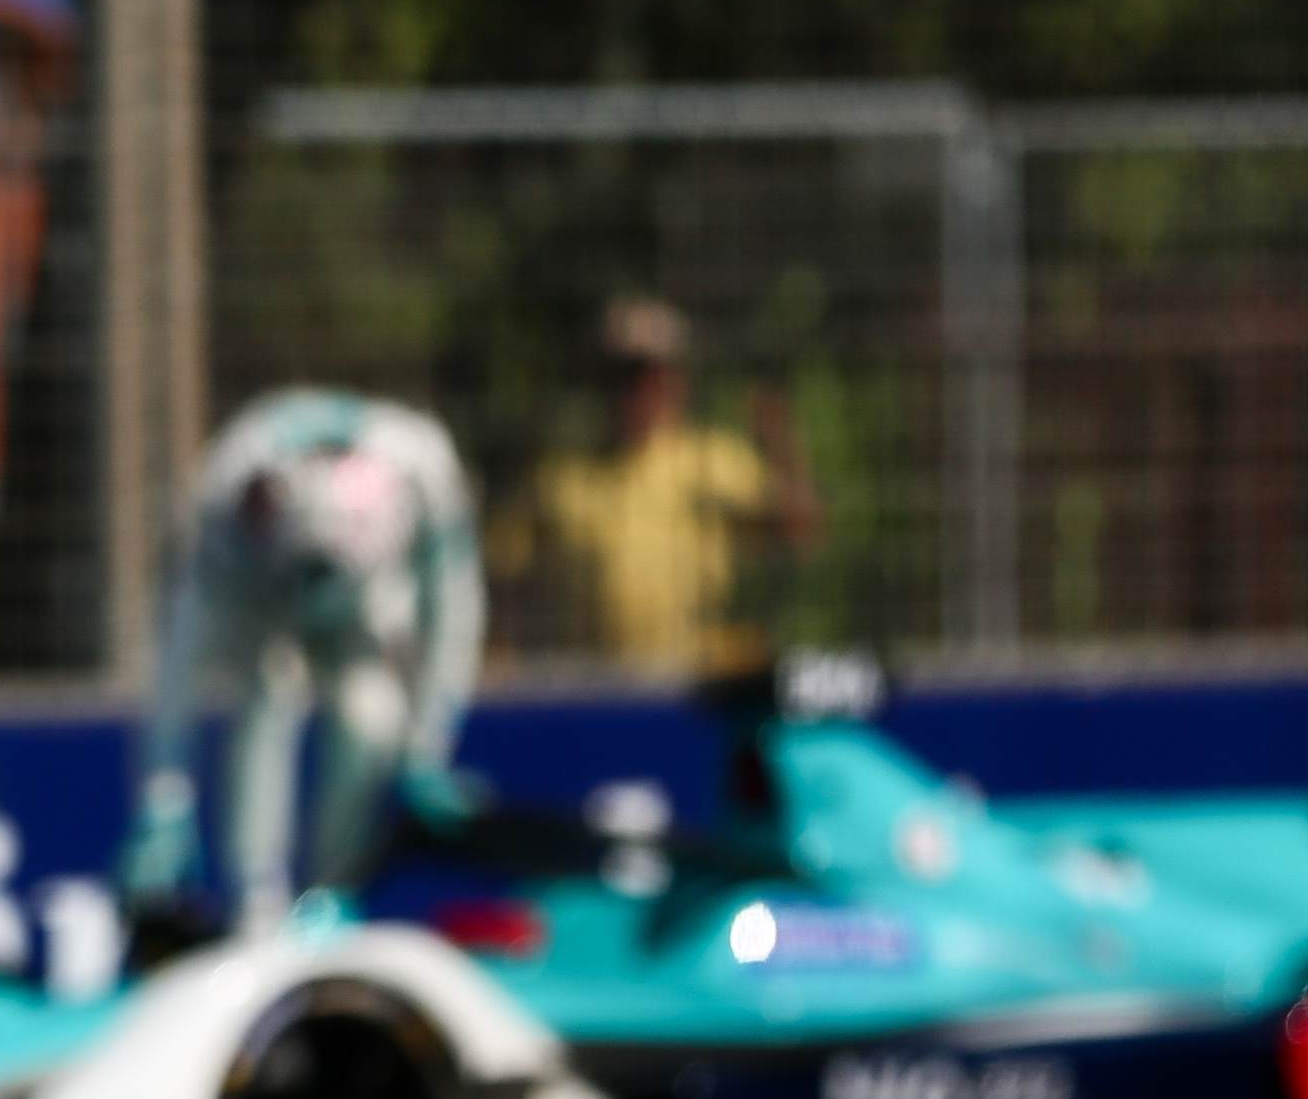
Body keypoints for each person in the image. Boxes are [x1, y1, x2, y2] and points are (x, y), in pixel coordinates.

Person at [126, 388, 487, 926]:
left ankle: (332, 894)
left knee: (371, 714)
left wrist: (429, 741)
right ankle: (256, 897)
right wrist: (164, 794)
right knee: (269, 689)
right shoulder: (227, 498)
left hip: (370, 620)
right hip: (261, 606)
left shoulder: (426, 479)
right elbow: (178, 660)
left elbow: (454, 616)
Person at [508, 297, 818, 678]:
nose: (639, 387)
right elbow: (505, 583)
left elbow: (800, 533)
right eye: (625, 373)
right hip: (589, 692)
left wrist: (782, 441)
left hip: (691, 688)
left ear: (677, 378)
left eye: (651, 371)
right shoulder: (561, 477)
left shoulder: (713, 461)